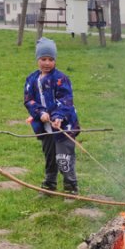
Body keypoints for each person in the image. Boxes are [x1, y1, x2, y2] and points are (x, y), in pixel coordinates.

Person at [24, 37, 80, 194]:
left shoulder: (60, 79)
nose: (47, 63)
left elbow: (66, 100)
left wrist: (58, 116)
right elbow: (29, 100)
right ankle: (50, 183)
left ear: (55, 60)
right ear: (37, 59)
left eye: (50, 59)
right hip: (44, 126)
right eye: (43, 59)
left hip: (63, 125)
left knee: (64, 156)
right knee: (50, 155)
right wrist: (40, 112)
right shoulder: (32, 80)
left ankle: (70, 187)